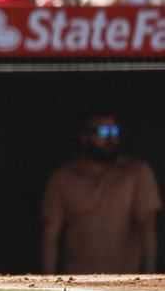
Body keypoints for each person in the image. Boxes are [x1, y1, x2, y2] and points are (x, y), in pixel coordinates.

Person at [42, 110, 161, 274]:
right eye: (102, 132)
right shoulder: (63, 178)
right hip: (78, 279)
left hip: (125, 279)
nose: (110, 138)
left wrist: (150, 270)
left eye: (114, 131)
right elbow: (51, 233)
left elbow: (147, 223)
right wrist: (47, 280)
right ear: (85, 138)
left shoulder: (137, 173)